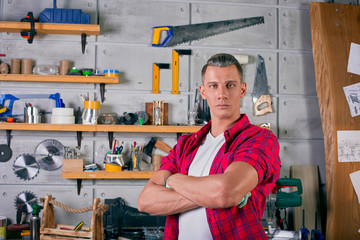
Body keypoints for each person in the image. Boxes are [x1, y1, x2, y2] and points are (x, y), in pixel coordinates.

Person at [138, 53, 281, 239]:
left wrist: (172, 180)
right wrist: (211, 195)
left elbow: (224, 194)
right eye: (213, 86)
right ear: (203, 91)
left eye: (230, 85)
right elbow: (146, 201)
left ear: (243, 90)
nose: (222, 94)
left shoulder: (260, 140)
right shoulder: (185, 146)